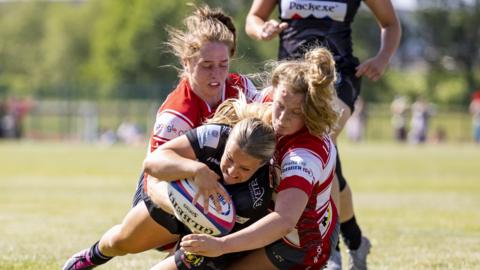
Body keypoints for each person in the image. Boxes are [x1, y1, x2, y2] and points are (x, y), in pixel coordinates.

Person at [62, 5, 260, 270]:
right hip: (168, 190)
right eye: (207, 66)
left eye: (223, 65)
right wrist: (191, 203)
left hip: (222, 186)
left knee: (197, 259)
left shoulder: (242, 88)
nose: (216, 74)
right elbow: (154, 176)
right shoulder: (176, 114)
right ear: (187, 62)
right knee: (123, 242)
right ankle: (94, 255)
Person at [245, 1, 401, 268]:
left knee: (321, 140)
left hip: (337, 79)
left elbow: (391, 23)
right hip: (291, 83)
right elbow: (253, 18)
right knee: (325, 157)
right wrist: (262, 30)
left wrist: (383, 58)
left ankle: (331, 251)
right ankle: (353, 240)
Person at [178, 47, 340, 270]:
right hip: (263, 218)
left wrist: (221, 245)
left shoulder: (303, 155)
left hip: (297, 241)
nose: (281, 118)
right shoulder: (275, 98)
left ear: (311, 112)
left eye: (295, 113)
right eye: (280, 106)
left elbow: (284, 220)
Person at [146, 99, 275, 270]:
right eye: (229, 158)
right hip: (175, 199)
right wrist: (196, 169)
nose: (232, 171)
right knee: (118, 242)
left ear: (261, 165)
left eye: (244, 168)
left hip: (217, 239)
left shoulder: (257, 196)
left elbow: (222, 236)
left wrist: (217, 242)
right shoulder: (215, 136)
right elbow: (151, 163)